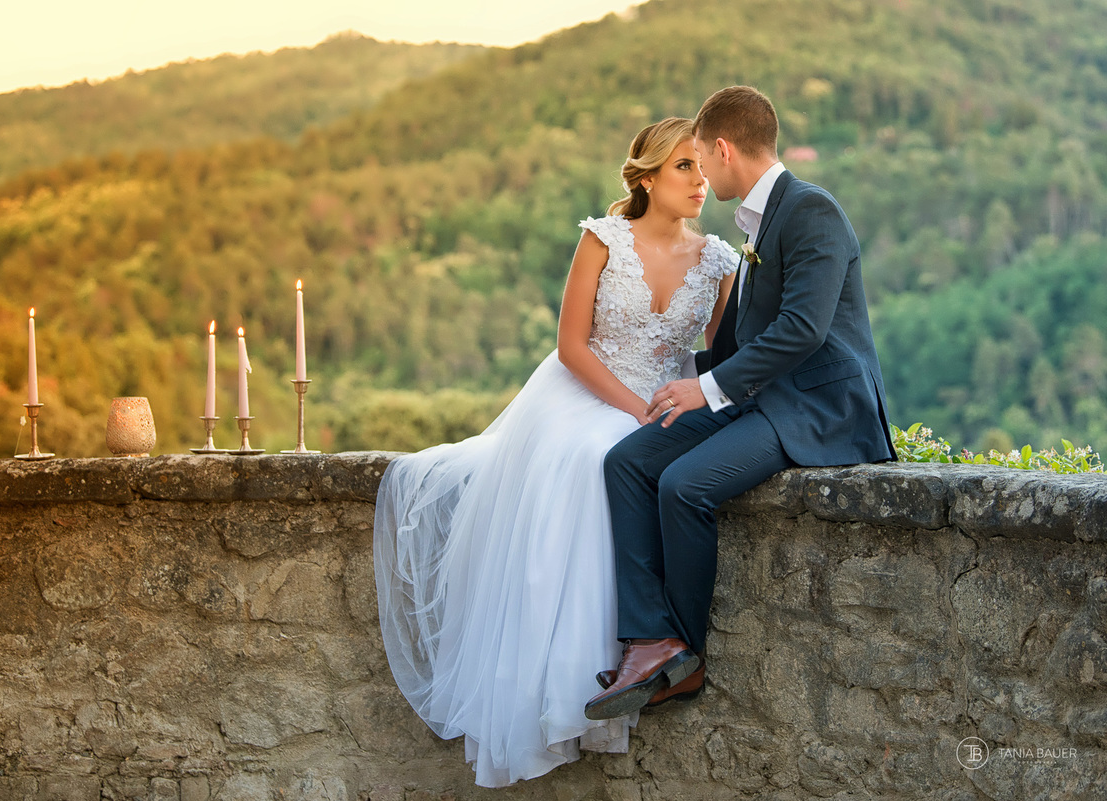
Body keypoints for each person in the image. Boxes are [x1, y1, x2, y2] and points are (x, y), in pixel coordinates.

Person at [373, 117, 738, 787]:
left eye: (702, 167)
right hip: (590, 392)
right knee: (592, 457)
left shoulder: (718, 261)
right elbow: (572, 346)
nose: (700, 181)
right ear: (648, 177)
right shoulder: (603, 240)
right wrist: (635, 410)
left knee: (642, 462)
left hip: (670, 402)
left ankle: (631, 658)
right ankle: (571, 681)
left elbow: (720, 358)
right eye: (684, 167)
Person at [584, 86, 896, 721]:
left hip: (817, 407)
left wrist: (705, 389)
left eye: (701, 158)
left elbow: (803, 329)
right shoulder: (759, 219)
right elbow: (739, 338)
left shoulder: (811, 210)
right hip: (760, 396)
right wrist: (684, 377)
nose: (701, 173)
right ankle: (650, 640)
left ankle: (685, 657)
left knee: (685, 485)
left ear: (723, 150)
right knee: (628, 462)